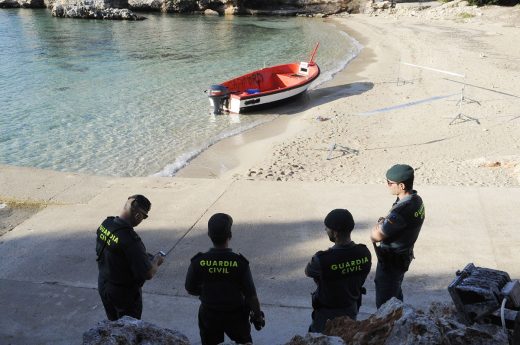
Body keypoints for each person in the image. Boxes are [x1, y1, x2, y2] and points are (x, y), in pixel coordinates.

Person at [185, 213, 265, 345]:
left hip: (209, 314)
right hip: (237, 316)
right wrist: (257, 316)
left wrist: (207, 292)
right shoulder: (240, 263)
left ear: (209, 235)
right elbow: (251, 296)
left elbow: (190, 288)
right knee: (244, 342)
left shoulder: (198, 262)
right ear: (230, 235)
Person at [96, 194, 164, 321]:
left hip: (104, 284)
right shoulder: (131, 240)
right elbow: (148, 273)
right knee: (128, 330)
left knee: (113, 324)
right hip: (123, 294)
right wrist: (156, 260)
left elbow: (116, 252)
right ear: (138, 215)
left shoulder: (106, 224)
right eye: (143, 217)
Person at [305, 209, 372, 333]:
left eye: (327, 228)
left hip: (326, 315)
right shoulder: (364, 253)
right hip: (351, 309)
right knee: (346, 337)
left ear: (335, 233)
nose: (326, 230)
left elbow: (308, 271)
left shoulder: (321, 259)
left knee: (319, 339)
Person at [371, 164, 425, 308]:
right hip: (403, 256)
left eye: (389, 183)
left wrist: (378, 227)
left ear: (401, 186)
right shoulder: (416, 200)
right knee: (395, 293)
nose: (387, 185)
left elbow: (376, 236)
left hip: (391, 262)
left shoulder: (402, 210)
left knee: (386, 305)